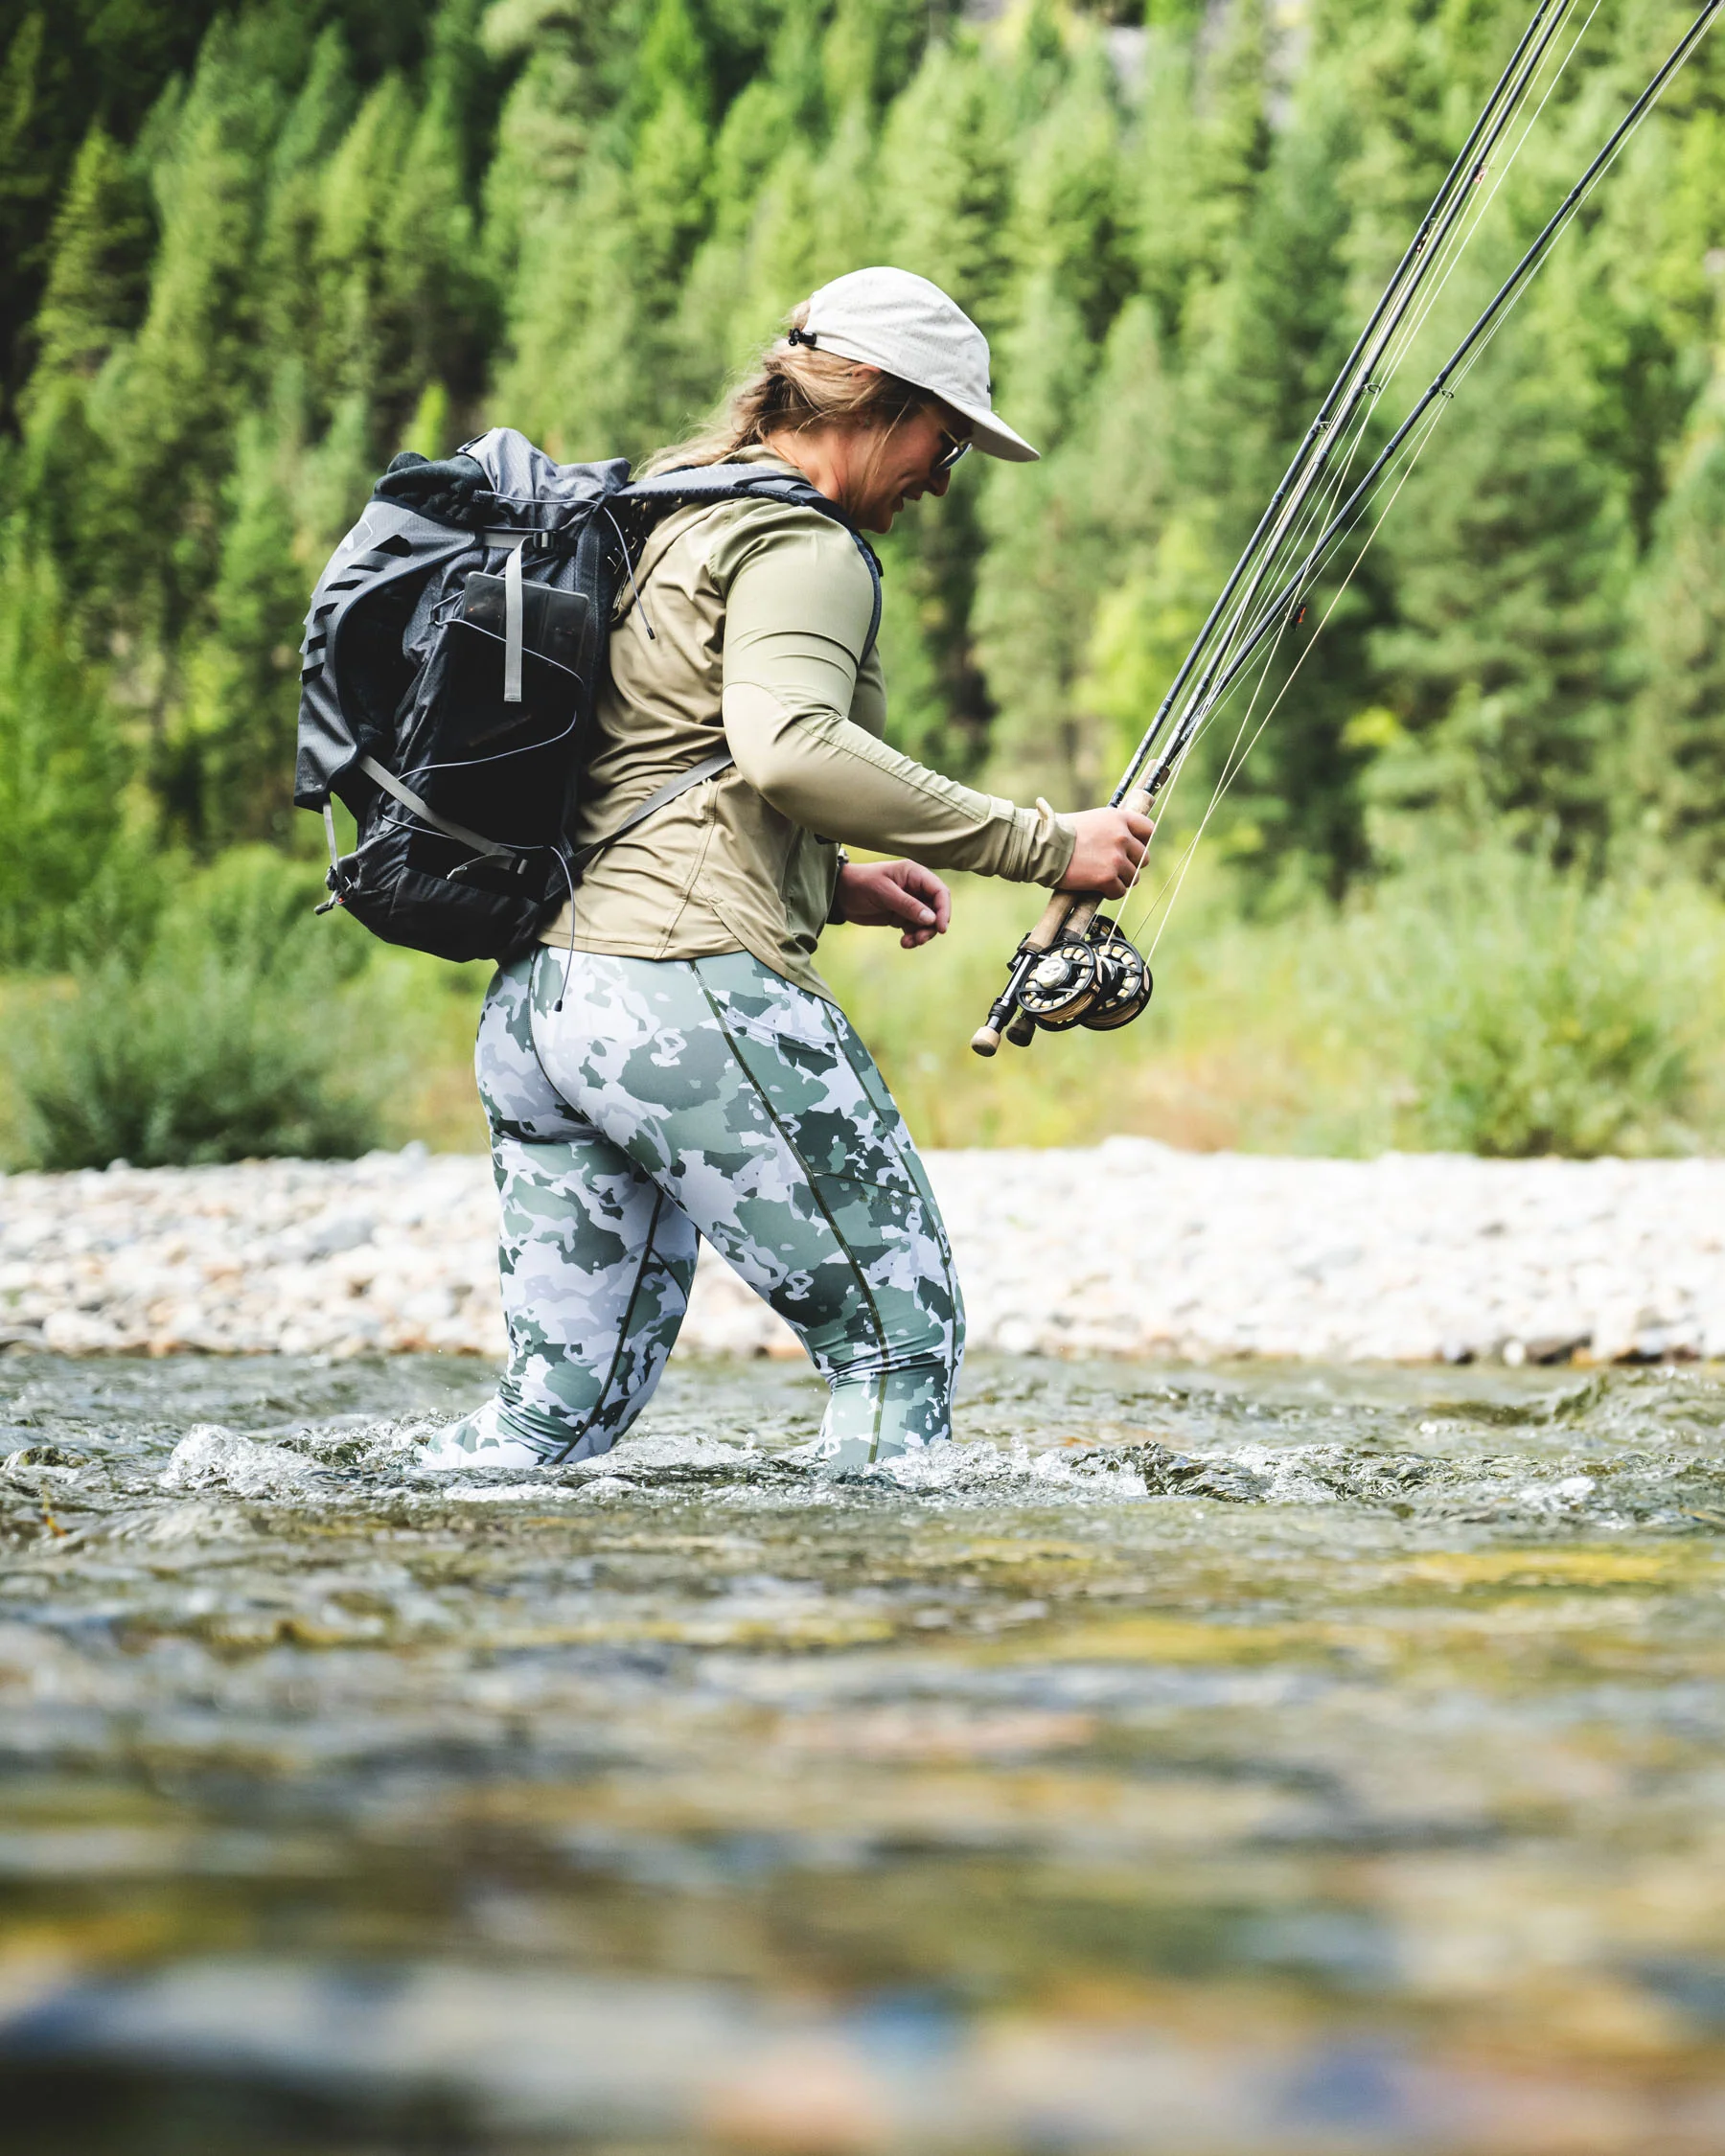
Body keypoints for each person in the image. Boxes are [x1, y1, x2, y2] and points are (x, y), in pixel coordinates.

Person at [422, 266, 1151, 1474]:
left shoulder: (664, 510)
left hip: (547, 1011)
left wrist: (826, 881)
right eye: (944, 437)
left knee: (553, 1419)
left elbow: (662, 754)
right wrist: (1044, 844)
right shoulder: (800, 538)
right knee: (896, 1349)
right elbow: (790, 747)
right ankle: (853, 1651)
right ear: (875, 399)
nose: (940, 472)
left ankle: (389, 1552)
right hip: (681, 996)